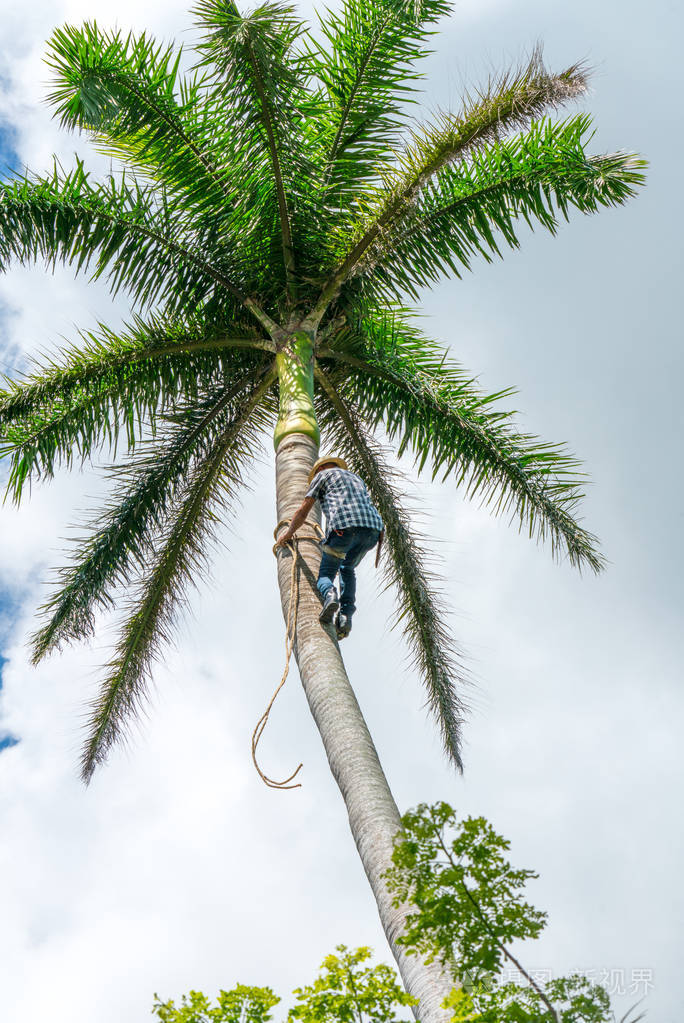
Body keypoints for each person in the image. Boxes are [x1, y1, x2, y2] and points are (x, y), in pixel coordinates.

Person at [276, 456, 383, 640]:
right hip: (373, 531)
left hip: (344, 529)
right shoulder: (356, 479)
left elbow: (303, 511)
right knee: (347, 568)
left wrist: (288, 533)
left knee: (325, 575)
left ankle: (330, 595)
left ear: (320, 468)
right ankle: (345, 616)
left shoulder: (322, 476)